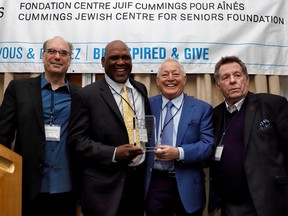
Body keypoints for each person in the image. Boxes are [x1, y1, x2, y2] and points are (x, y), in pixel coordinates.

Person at [67, 40, 151, 216]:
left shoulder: (141, 89)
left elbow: (144, 127)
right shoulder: (86, 95)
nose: (121, 62)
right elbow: (76, 141)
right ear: (103, 62)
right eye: (114, 58)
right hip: (103, 191)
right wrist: (113, 153)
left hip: (137, 185)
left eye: (125, 57)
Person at [0, 36, 79, 216]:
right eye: (51, 51)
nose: (57, 57)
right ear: (43, 56)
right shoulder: (18, 88)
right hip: (26, 184)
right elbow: (3, 135)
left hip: (66, 186)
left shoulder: (80, 95)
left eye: (63, 53)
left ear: (70, 60)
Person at [208, 56, 288, 216]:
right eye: (225, 77)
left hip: (266, 202)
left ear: (246, 79)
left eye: (237, 75)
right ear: (218, 85)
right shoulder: (215, 114)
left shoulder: (272, 105)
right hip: (228, 205)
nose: (232, 81)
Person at [144, 58, 214, 216]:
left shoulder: (202, 109)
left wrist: (178, 152)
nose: (170, 78)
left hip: (189, 184)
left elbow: (207, 146)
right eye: (165, 75)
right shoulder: (146, 106)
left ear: (184, 79)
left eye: (176, 74)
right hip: (154, 183)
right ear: (157, 80)